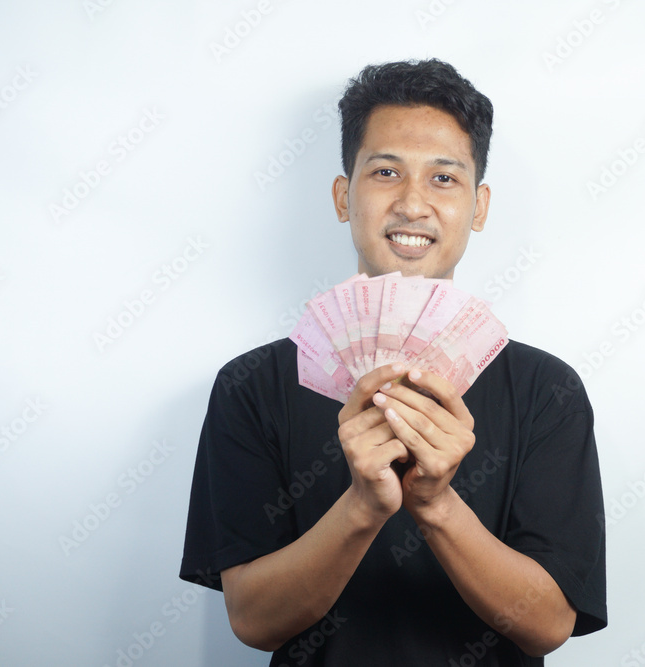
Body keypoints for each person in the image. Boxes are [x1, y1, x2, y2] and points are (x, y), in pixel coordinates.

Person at [180, 59, 607, 665]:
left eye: (444, 178)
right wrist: (363, 507)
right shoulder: (251, 387)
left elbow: (547, 625)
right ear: (343, 196)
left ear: (479, 207)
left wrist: (435, 505)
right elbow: (253, 620)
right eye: (385, 172)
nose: (412, 203)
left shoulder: (548, 390)